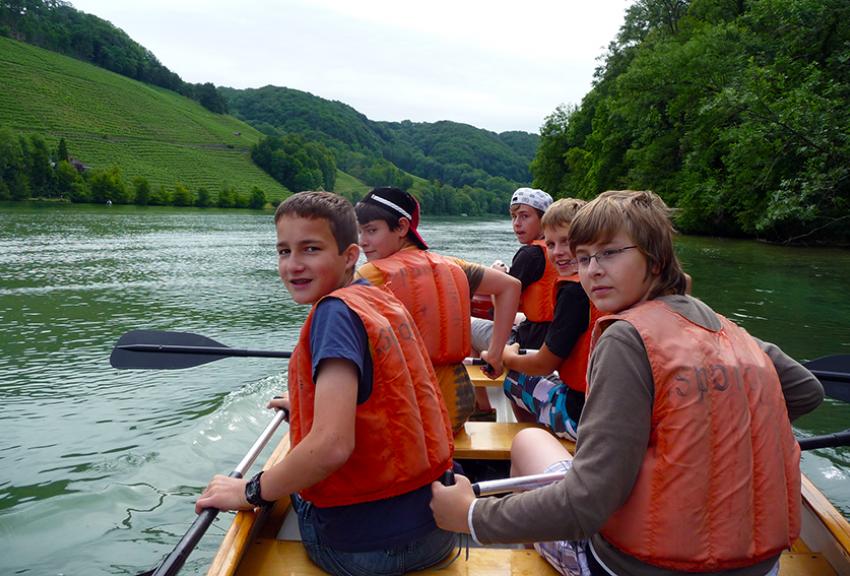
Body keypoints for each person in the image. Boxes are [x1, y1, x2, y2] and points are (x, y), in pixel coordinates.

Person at [431, 190, 824, 576]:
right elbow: (807, 391)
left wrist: (471, 514)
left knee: (527, 442)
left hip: (633, 566)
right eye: (583, 258)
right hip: (760, 566)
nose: (592, 270)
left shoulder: (625, 337)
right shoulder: (727, 329)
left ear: (654, 259)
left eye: (609, 253)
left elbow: (585, 504)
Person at [196, 191, 456, 576]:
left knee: (287, 490)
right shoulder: (376, 299)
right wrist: (305, 403)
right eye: (284, 251)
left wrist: (248, 491)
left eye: (311, 249)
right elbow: (380, 397)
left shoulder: (333, 315)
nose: (294, 265)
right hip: (435, 530)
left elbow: (333, 445)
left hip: (363, 551)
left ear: (350, 256)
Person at [355, 187, 521, 430]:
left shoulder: (370, 274)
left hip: (406, 414)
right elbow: (510, 286)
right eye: (360, 232)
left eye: (371, 231)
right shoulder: (453, 266)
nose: (362, 242)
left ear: (402, 227)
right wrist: (495, 352)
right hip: (455, 410)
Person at [485, 198, 603, 439]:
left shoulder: (572, 293)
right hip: (602, 407)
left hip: (579, 416)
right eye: (550, 244)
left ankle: (538, 437)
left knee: (513, 380)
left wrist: (507, 356)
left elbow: (543, 365)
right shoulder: (605, 284)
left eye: (566, 242)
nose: (557, 252)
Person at [470, 187, 559, 414]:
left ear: (544, 220)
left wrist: (497, 274)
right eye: (514, 216)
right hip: (547, 332)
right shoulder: (557, 252)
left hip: (528, 340)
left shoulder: (529, 254)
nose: (517, 223)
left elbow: (500, 299)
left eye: (525, 216)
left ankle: (482, 406)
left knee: (464, 325)